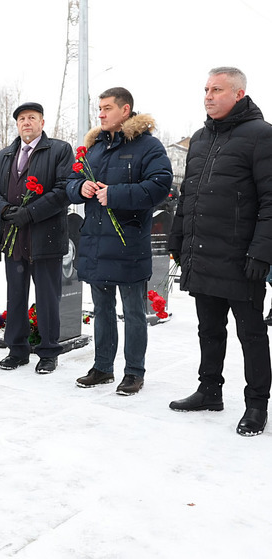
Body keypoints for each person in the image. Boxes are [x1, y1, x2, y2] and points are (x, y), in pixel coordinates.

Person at [167, 67, 272, 436]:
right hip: (203, 252)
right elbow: (188, 197)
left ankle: (257, 405)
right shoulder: (199, 138)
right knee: (209, 329)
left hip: (242, 260)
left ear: (239, 94)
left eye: (217, 89)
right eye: (206, 89)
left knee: (251, 334)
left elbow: (271, 201)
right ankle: (210, 389)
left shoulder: (262, 136)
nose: (209, 96)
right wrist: (177, 238)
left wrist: (262, 252)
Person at [66, 87, 172, 395]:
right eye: (99, 108)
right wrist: (81, 187)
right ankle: (102, 368)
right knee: (102, 309)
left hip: (128, 244)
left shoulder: (148, 146)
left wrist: (115, 194)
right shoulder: (94, 148)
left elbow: (159, 185)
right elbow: (70, 182)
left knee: (134, 312)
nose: (100, 114)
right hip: (96, 245)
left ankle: (134, 372)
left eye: (107, 108)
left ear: (125, 110)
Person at [0, 103, 74, 373]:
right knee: (16, 296)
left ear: (42, 123)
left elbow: (63, 190)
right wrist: (6, 210)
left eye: (32, 118)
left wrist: (31, 213)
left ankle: (48, 352)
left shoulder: (59, 150)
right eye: (22, 119)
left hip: (45, 238)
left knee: (47, 298)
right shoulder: (5, 155)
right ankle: (17, 350)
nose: (26, 123)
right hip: (14, 237)